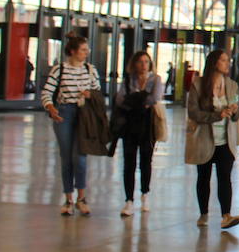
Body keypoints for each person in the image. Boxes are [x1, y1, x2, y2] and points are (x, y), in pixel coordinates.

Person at [40, 31, 102, 217]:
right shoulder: (59, 70)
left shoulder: (90, 70)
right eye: (83, 50)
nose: (86, 53)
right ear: (73, 51)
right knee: (66, 157)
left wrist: (90, 95)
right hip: (64, 113)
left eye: (86, 50)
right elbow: (47, 92)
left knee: (80, 156)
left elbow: (97, 92)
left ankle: (81, 198)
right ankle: (68, 199)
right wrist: (50, 107)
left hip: (84, 115)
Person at [186, 49, 239, 229]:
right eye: (223, 60)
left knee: (225, 176)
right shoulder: (198, 84)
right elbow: (193, 112)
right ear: (214, 63)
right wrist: (217, 115)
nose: (227, 64)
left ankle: (226, 215)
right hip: (204, 138)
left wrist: (234, 111)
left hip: (226, 139)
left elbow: (238, 113)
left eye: (228, 60)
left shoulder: (232, 85)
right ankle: (203, 213)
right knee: (203, 176)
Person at [113, 51, 162, 217]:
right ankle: (129, 200)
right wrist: (140, 101)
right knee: (129, 162)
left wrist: (136, 100)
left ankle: (145, 193)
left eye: (146, 62)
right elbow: (120, 99)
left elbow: (154, 98)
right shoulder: (128, 81)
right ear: (134, 64)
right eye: (140, 62)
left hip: (148, 126)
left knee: (146, 161)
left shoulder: (155, 80)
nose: (143, 65)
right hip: (130, 125)